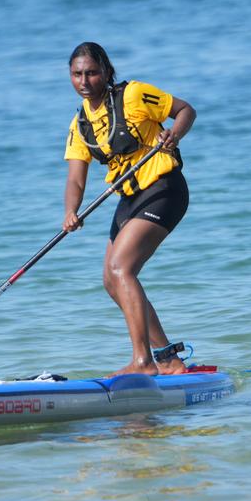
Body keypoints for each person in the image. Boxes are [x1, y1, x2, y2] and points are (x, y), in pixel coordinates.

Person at [62, 42, 197, 376]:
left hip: (163, 189)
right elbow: (76, 179)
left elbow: (185, 110)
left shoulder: (134, 94)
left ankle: (143, 362)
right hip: (128, 198)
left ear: (106, 72)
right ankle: (167, 359)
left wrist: (175, 134)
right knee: (111, 279)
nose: (84, 80)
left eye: (91, 73)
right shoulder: (80, 124)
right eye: (77, 74)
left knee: (123, 268)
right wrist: (70, 211)